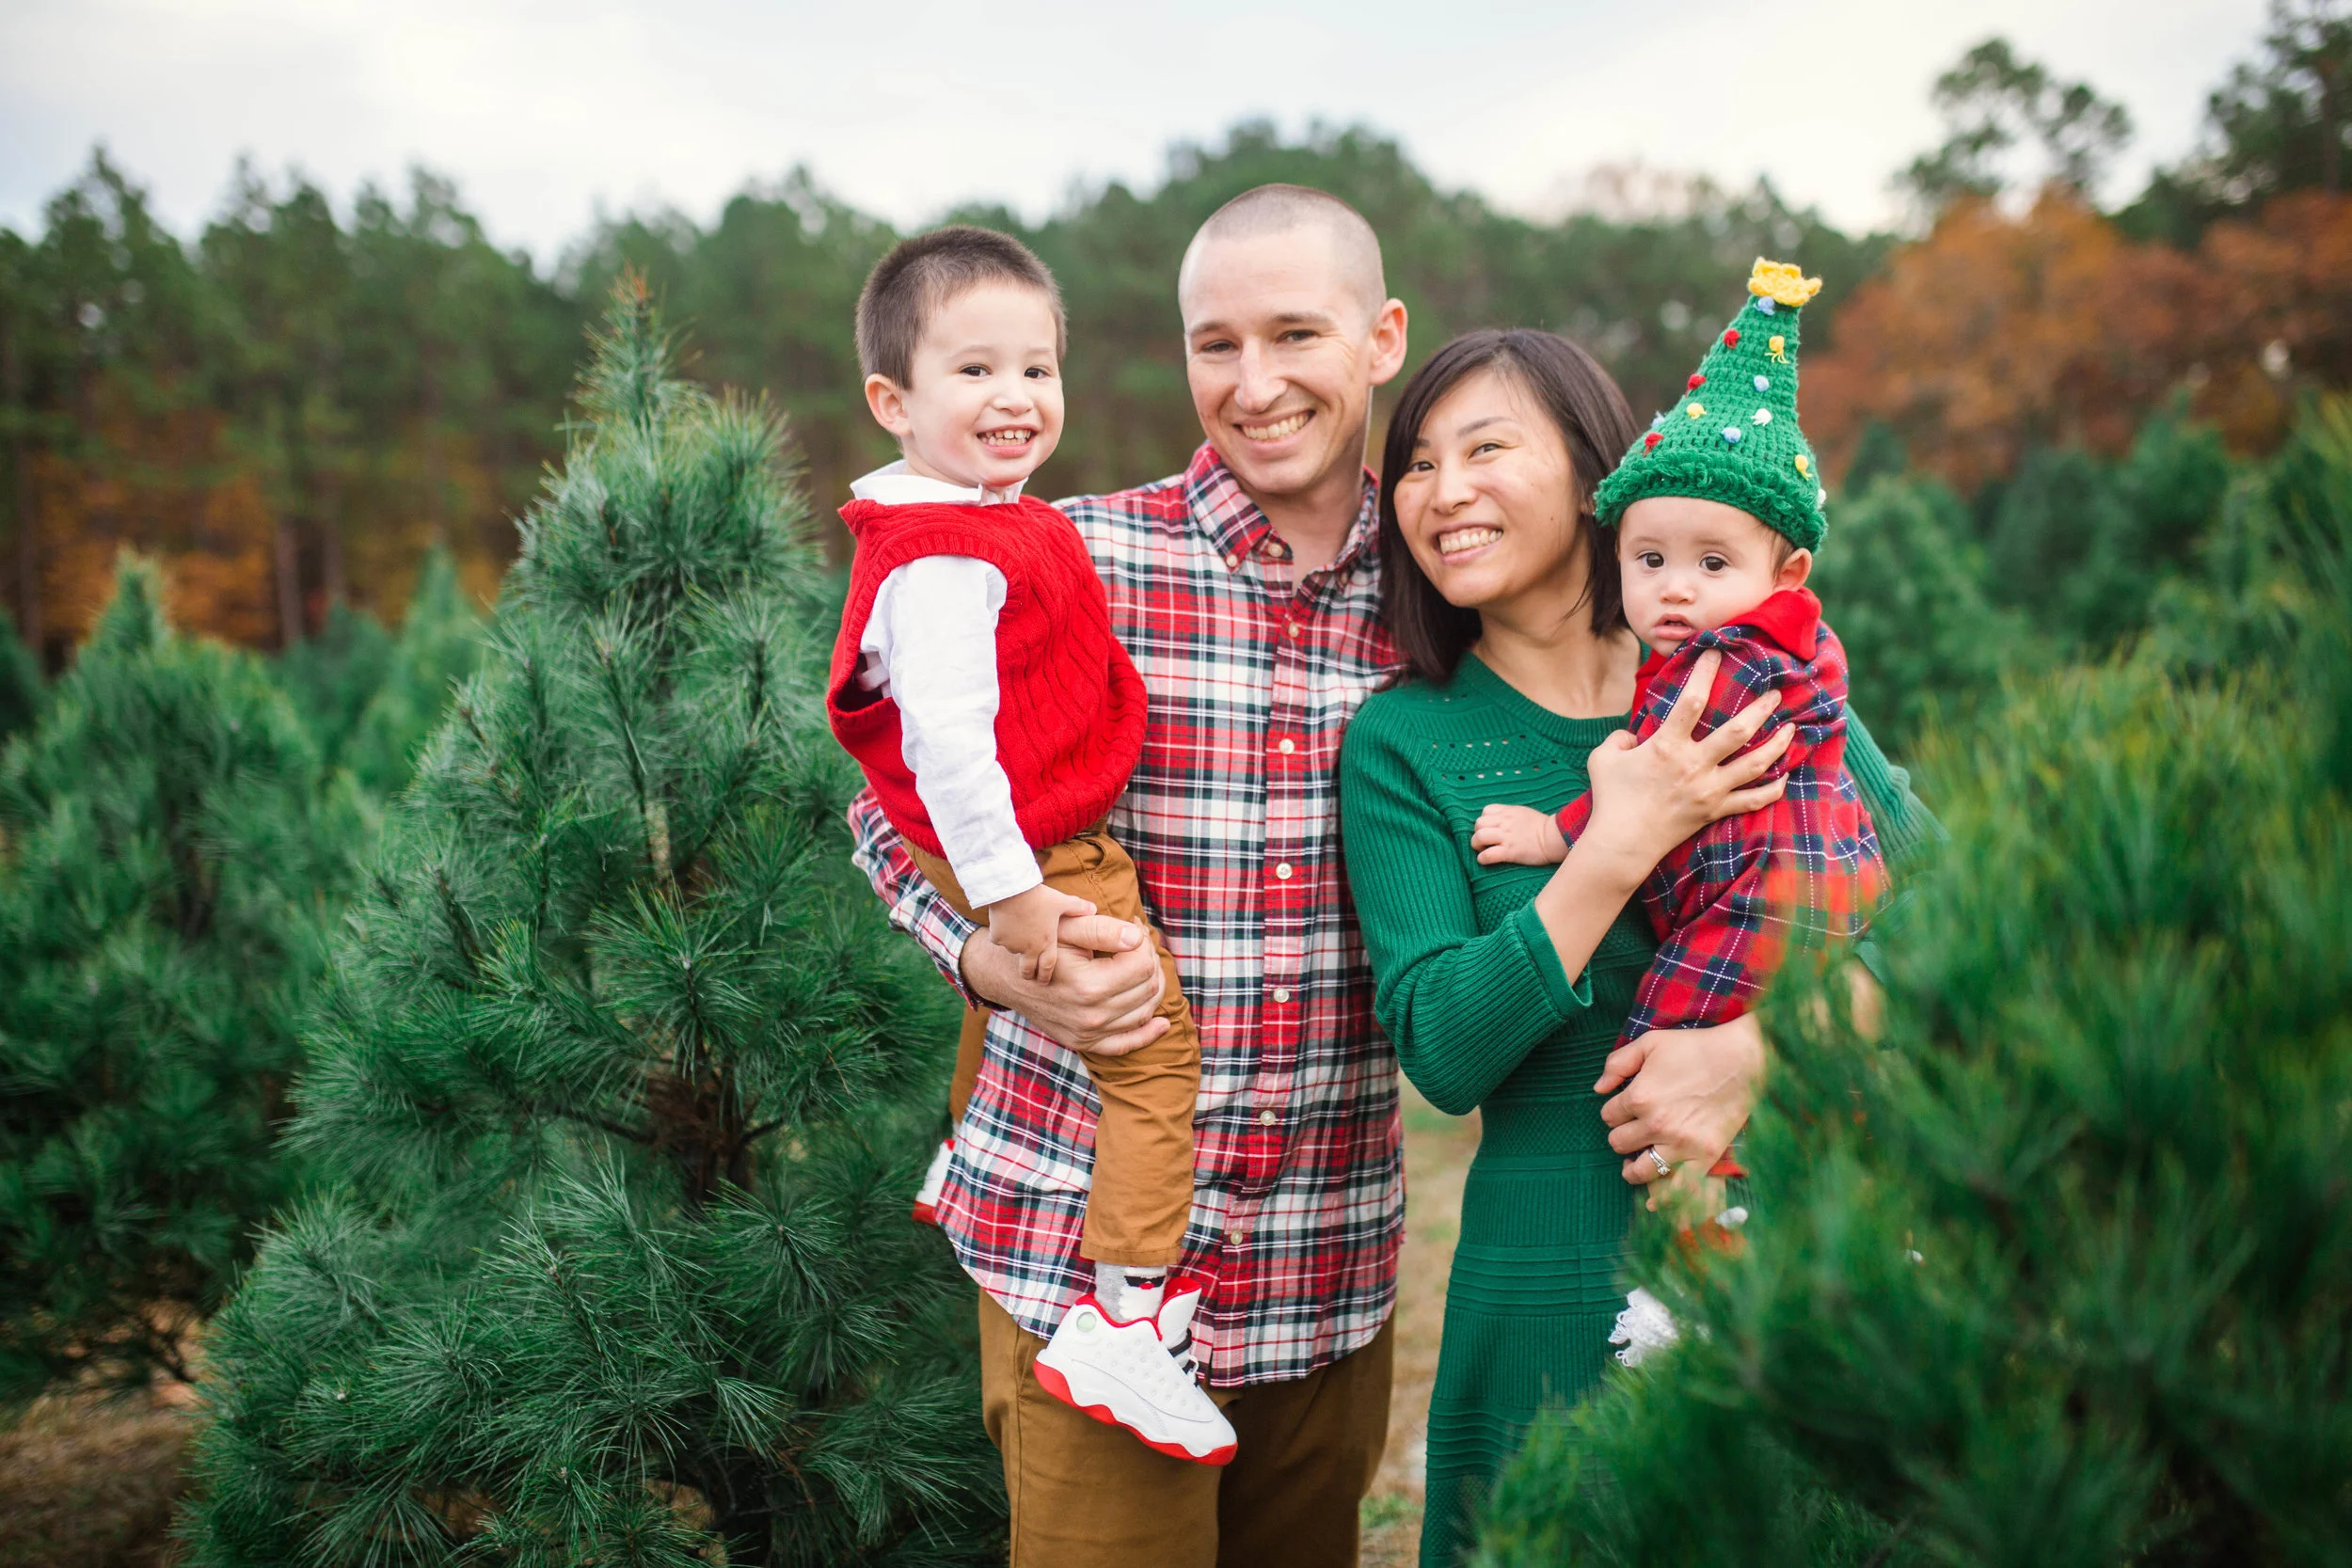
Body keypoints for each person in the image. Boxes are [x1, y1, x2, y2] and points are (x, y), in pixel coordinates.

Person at [848, 184, 1412, 1567]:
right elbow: (882, 814)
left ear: (1384, 336)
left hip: (1327, 1253)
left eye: (1297, 334)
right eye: (1215, 343)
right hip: (1074, 1249)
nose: (1255, 382)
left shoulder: (1441, 593)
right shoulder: (1065, 554)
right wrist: (991, 962)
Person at [1337, 326, 1942, 1566]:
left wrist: (1767, 1045)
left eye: (1487, 447)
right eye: (1416, 463)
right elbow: (1443, 1044)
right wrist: (1619, 842)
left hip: (1805, 1258)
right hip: (1553, 1267)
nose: (1444, 489)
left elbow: (1961, 912)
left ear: (1596, 475)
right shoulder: (1406, 741)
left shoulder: (1760, 681)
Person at [826, 226, 1232, 1464]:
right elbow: (947, 747)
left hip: (1040, 844)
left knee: (1124, 1047)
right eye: (975, 372)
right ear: (893, 400)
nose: (1015, 398)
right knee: (1153, 1056)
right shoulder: (943, 556)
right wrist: (1008, 905)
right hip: (1042, 856)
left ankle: (1001, 1203)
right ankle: (1121, 1313)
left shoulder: (985, 519)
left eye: (1037, 369)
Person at [1470, 260, 1887, 1198]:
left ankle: (1695, 1199)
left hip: (1750, 907)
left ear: (1787, 571)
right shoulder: (1797, 651)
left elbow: (1650, 786)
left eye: (1711, 560)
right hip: (1822, 902)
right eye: (1649, 557)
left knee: (1660, 1046)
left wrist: (1551, 831)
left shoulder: (1720, 669)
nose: (1677, 587)